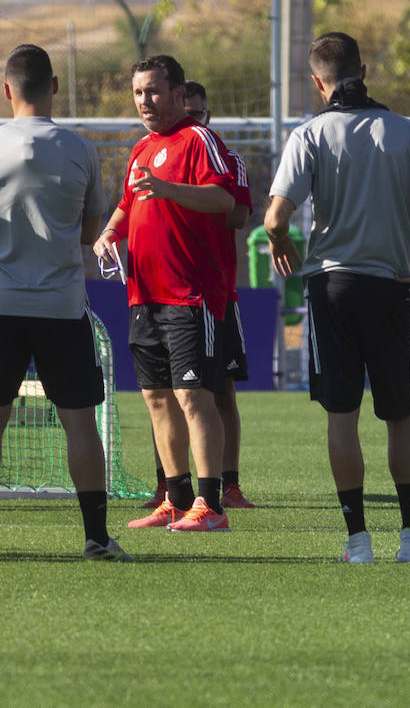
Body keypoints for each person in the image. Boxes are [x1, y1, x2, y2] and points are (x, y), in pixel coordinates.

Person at [265, 31, 410, 563]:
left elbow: (275, 218)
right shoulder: (405, 131)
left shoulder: (310, 134)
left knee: (342, 415)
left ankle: (357, 543)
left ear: (316, 81)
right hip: (388, 286)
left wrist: (282, 242)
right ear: (364, 69)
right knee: (400, 414)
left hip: (332, 287)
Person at [0, 43, 130, 562]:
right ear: (54, 86)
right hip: (62, 308)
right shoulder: (80, 149)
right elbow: (87, 233)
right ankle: (96, 538)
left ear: (6, 89)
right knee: (79, 421)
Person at [95, 56, 235, 535]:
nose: (145, 101)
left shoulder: (199, 140)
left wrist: (169, 188)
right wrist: (108, 235)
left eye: (153, 91)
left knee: (194, 396)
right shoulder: (139, 149)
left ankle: (210, 504)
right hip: (143, 295)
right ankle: (174, 500)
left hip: (190, 294)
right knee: (156, 398)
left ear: (178, 94)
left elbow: (225, 200)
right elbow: (125, 206)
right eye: (138, 93)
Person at [184, 80, 257, 510]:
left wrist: (187, 197)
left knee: (223, 393)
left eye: (200, 114)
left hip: (218, 293)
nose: (195, 121)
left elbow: (239, 213)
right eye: (188, 114)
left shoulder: (230, 160)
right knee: (173, 395)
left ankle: (230, 484)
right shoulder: (161, 157)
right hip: (174, 294)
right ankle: (169, 485)